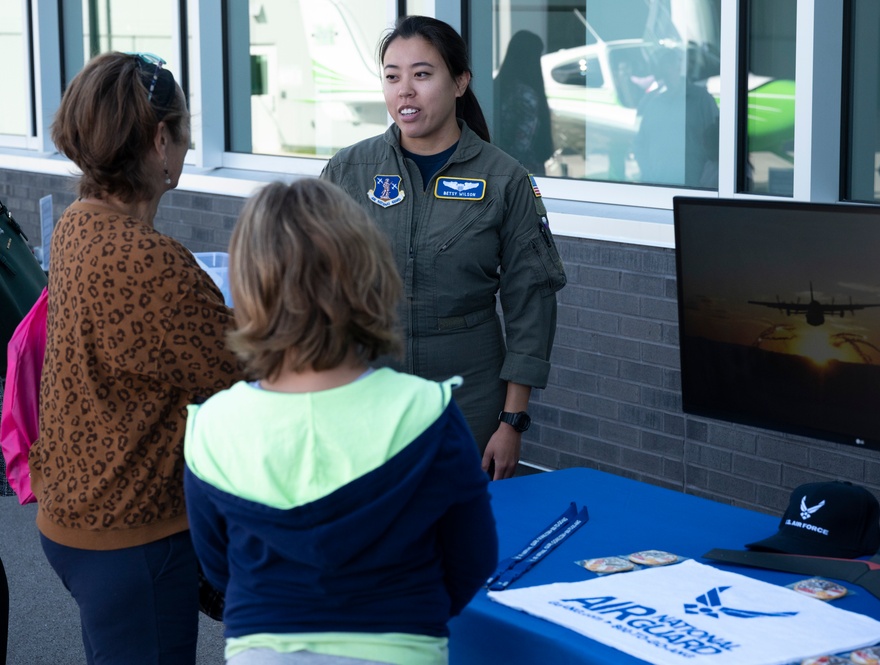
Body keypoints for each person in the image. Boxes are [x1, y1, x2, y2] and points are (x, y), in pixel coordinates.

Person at [184, 178, 498, 665]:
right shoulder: (425, 412)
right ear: (366, 277)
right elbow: (471, 558)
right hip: (401, 644)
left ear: (248, 288)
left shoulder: (212, 426)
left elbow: (218, 569)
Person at [31, 52, 242, 664]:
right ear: (158, 140)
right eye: (184, 130)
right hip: (130, 533)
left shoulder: (78, 222)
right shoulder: (146, 259)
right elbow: (243, 372)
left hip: (77, 508)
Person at [320, 16, 567, 480]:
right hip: (370, 388)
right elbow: (314, 285)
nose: (404, 91)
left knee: (463, 530)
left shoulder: (504, 178)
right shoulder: (350, 169)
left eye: (422, 74)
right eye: (392, 77)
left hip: (469, 395)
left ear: (459, 82)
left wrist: (511, 422)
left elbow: (530, 302)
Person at [633, 40, 719, 187]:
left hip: (694, 187)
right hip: (658, 186)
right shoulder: (651, 102)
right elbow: (640, 143)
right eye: (664, 65)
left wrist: (707, 182)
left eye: (672, 63)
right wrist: (648, 175)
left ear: (680, 67)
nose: (668, 69)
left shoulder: (702, 100)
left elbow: (717, 143)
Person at [493, 30, 554, 174]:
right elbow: (522, 145)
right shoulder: (527, 95)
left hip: (496, 167)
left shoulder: (497, 88)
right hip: (522, 174)